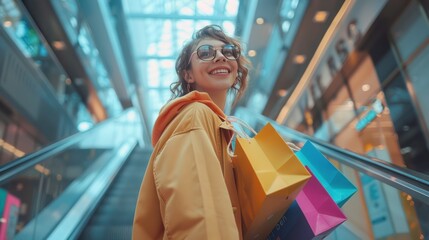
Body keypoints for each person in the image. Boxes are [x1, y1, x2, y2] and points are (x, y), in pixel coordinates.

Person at [132, 24, 250, 240]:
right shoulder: (195, 116)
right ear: (188, 75)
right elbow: (199, 216)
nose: (220, 57)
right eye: (206, 52)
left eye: (229, 52)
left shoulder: (216, 126)